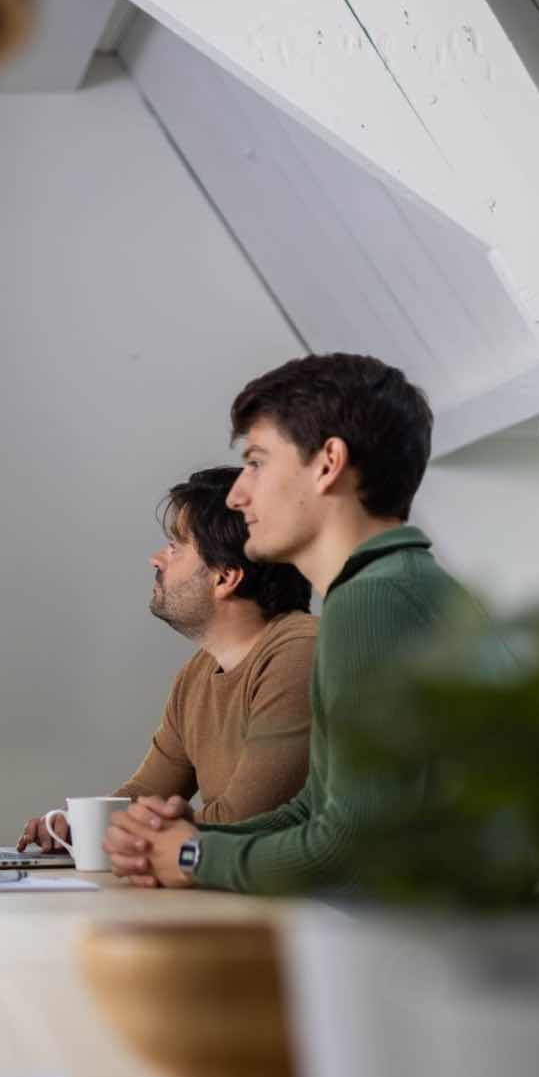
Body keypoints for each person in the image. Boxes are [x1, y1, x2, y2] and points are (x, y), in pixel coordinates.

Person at [105, 352, 479, 893]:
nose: (238, 493)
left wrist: (190, 855)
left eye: (256, 462)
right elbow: (316, 807)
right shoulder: (390, 586)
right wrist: (190, 843)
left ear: (328, 463)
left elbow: (343, 846)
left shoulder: (370, 603)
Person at [18, 467, 315, 851]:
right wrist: (78, 826)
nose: (156, 559)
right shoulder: (197, 673)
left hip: (311, 906)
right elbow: (144, 795)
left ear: (226, 577)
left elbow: (243, 821)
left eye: (175, 546)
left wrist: (122, 831)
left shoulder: (300, 653)